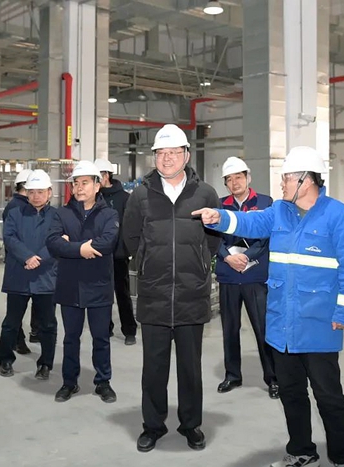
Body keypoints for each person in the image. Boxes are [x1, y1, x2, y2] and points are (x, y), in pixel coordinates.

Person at [192, 146, 344, 467]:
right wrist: (220, 217)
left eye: (286, 179)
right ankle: (301, 451)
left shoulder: (338, 215)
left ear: (306, 181)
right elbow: (250, 223)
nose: (281, 184)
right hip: (282, 321)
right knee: (291, 392)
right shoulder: (279, 210)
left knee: (328, 396)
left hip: (319, 321)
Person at [122, 124, 221, 453]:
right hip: (155, 294)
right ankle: (153, 425)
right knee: (154, 368)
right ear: (154, 157)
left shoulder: (205, 194)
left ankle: (191, 425)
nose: (167, 158)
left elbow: (213, 240)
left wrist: (198, 264)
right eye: (161, 153)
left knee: (191, 368)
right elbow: (130, 238)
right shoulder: (140, 195)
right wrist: (149, 263)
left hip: (192, 294)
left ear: (186, 155)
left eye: (174, 152)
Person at [46, 160, 120, 404]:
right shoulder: (62, 214)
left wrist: (70, 245)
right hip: (70, 285)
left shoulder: (109, 214)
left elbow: (107, 242)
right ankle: (69, 382)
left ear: (97, 186)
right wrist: (81, 249)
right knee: (71, 338)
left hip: (99, 284)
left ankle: (103, 382)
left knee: (101, 338)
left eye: (85, 182)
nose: (79, 187)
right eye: (76, 183)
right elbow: (54, 243)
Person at [215, 156, 278, 399]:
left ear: (248, 178)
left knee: (263, 328)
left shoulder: (265, 202)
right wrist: (228, 257)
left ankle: (273, 378)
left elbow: (266, 235)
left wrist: (246, 257)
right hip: (229, 275)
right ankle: (232, 375)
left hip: (255, 276)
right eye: (229, 179)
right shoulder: (219, 205)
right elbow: (213, 237)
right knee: (229, 328)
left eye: (239, 177)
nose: (235, 182)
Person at [0, 169, 58, 381]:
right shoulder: (15, 213)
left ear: (49, 192)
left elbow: (58, 241)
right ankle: (5, 360)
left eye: (40, 191)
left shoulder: (57, 216)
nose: (36, 196)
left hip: (46, 277)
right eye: (32, 192)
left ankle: (45, 364)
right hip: (19, 276)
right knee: (11, 323)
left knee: (48, 325)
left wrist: (38, 259)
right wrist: (27, 257)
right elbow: (9, 238)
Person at [94, 158, 137, 345]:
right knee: (102, 294)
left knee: (122, 293)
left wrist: (127, 249)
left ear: (106, 175)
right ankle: (106, 327)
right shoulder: (94, 197)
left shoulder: (124, 198)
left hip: (118, 254)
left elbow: (129, 226)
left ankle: (129, 331)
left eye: (98, 176)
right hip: (98, 253)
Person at [2, 168, 39, 355]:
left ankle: (24, 338)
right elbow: (13, 239)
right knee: (16, 311)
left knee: (19, 309)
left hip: (23, 262)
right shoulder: (17, 208)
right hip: (21, 264)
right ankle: (16, 342)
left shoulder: (17, 205)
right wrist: (29, 256)